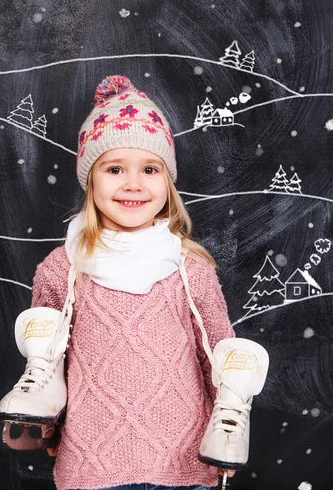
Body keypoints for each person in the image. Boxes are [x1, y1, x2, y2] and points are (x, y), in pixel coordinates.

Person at [32, 75, 236, 490]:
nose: (133, 184)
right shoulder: (61, 269)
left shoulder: (189, 267)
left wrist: (229, 435)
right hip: (91, 466)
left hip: (184, 463)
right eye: (114, 169)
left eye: (149, 169)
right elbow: (44, 362)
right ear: (90, 180)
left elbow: (222, 359)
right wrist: (47, 426)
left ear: (168, 182)